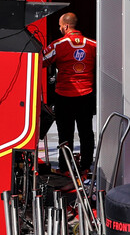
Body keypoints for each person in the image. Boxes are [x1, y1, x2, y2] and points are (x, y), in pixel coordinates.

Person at [45, 12, 96, 176]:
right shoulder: (93, 44)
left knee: (65, 134)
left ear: (65, 26)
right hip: (86, 94)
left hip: (64, 96)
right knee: (86, 132)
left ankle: (65, 168)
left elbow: (39, 60)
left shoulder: (58, 45)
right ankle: (86, 166)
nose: (60, 29)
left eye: (60, 26)